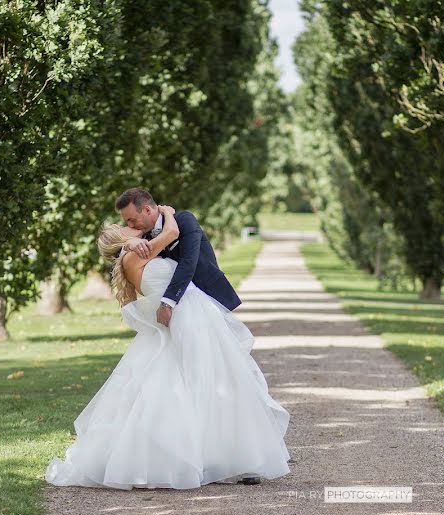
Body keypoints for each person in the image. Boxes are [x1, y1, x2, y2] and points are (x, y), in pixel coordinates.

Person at [45, 194, 291, 490]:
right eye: (125, 226)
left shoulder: (137, 252)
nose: (129, 225)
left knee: (205, 382)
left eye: (130, 221)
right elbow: (172, 234)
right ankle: (208, 457)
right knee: (207, 380)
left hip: (193, 313)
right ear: (119, 239)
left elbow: (184, 260)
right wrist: (167, 212)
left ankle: (214, 456)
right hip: (185, 315)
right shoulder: (138, 253)